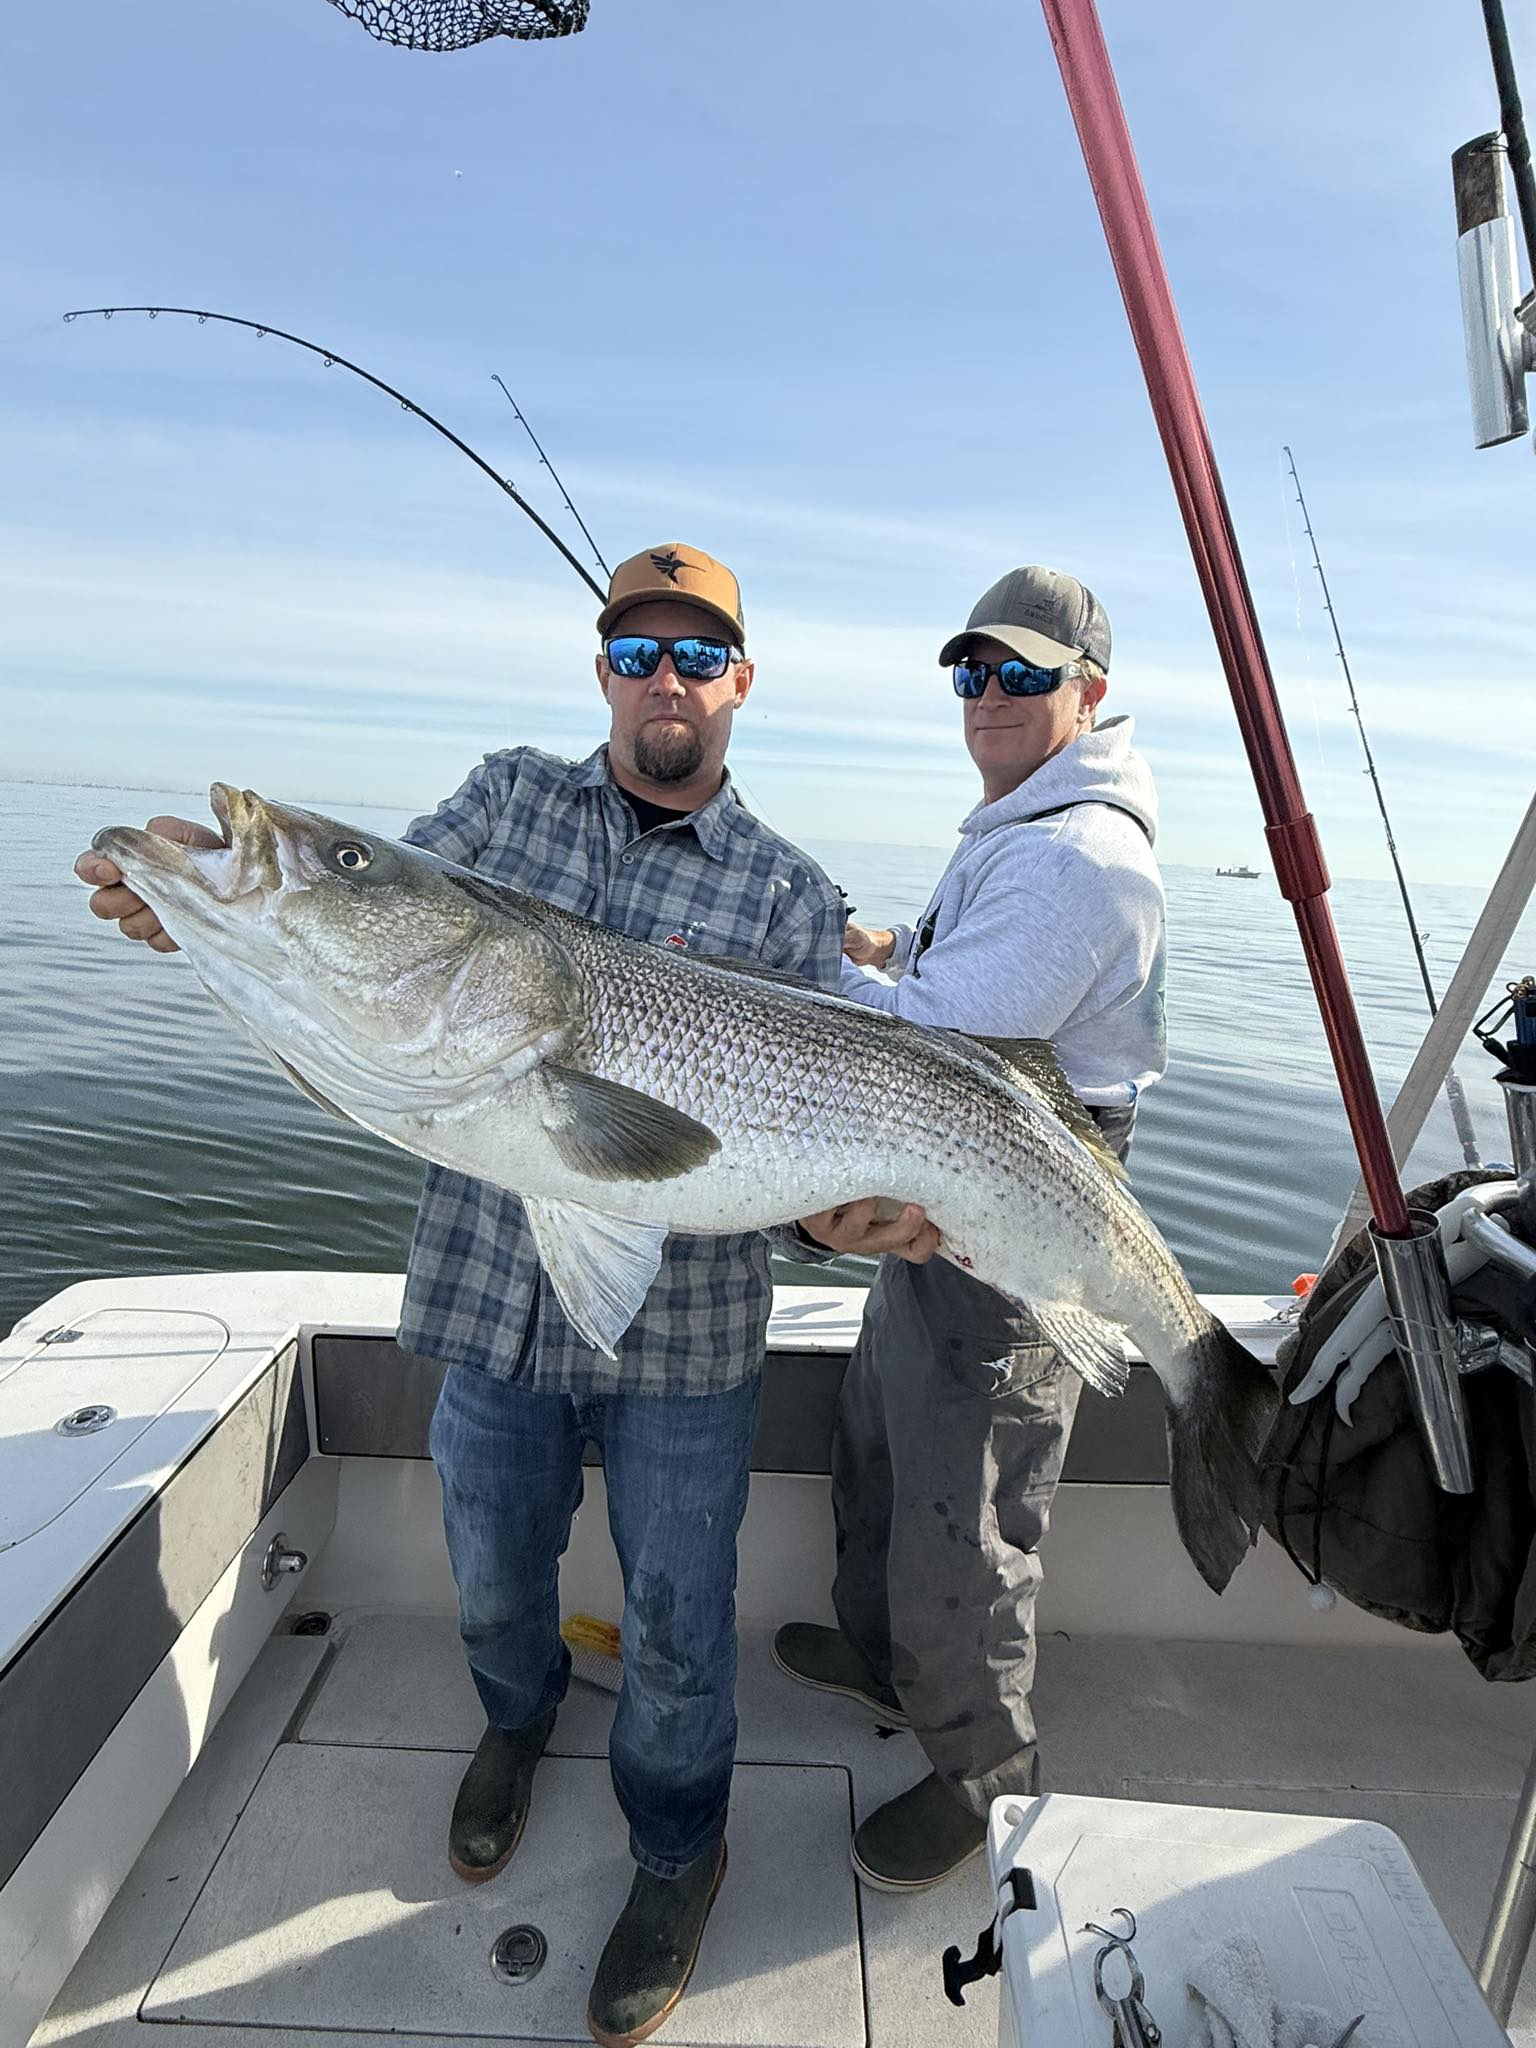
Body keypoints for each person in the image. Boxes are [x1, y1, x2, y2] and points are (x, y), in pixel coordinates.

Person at [74, 542, 867, 2048]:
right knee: (496, 1578)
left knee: (683, 1627)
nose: (668, 681)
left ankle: (678, 1848)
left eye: (699, 656)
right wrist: (203, 924)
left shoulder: (788, 891)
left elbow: (812, 1150)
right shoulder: (504, 804)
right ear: (604, 673)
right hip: (490, 1298)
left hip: (686, 1343)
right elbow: (373, 965)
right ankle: (516, 1723)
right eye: (639, 652)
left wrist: (847, 1224)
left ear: (742, 685)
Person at [779, 564, 1167, 1892]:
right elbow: (955, 992)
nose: (988, 698)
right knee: (882, 1432)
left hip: (1021, 1204)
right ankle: (889, 1659)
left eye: (1021, 675)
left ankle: (983, 1776)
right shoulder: (1025, 823)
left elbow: (931, 1043)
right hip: (958, 1179)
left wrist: (779, 947)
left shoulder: (1078, 856)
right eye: (972, 673)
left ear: (1089, 692)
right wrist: (890, 946)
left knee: (970, 1506)